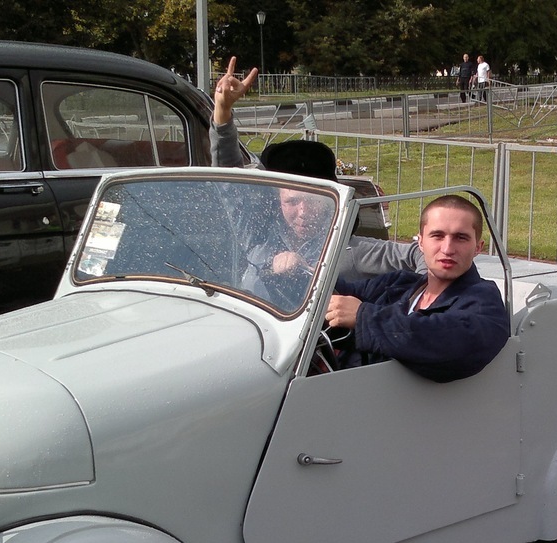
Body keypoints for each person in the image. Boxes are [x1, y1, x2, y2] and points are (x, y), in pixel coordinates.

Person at [208, 57, 424, 288]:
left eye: (313, 200)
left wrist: (407, 303)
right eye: (292, 201)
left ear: (332, 200)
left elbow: (421, 254)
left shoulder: (349, 250)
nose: (303, 212)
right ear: (276, 199)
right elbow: (229, 181)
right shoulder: (256, 236)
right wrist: (222, 110)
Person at [324, 194, 509, 383]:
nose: (447, 249)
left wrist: (364, 317)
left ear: (478, 247)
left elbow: (446, 340)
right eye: (437, 236)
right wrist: (306, 271)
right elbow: (338, 292)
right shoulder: (398, 284)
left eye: (460, 238)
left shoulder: (485, 303)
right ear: (420, 242)